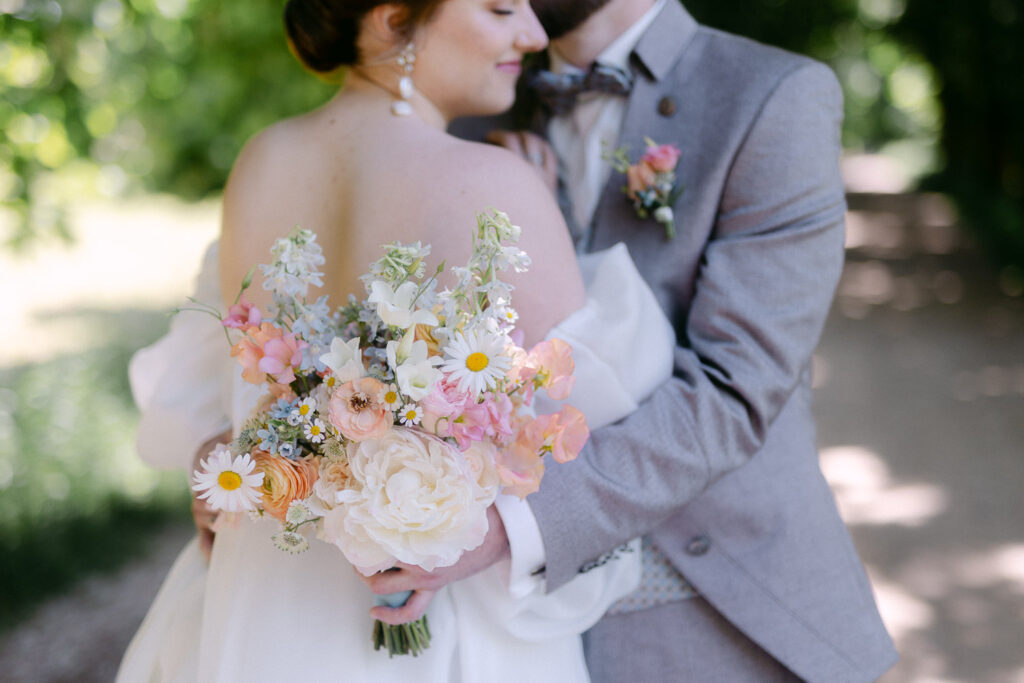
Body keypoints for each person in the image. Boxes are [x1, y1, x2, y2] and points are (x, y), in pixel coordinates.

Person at [117, 0, 677, 681]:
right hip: (438, 618)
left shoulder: (260, 161)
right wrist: (549, 215)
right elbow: (598, 418)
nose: (532, 33)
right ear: (391, 19)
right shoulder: (501, 185)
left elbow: (221, 373)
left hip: (264, 607)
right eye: (501, 7)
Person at [386, 0, 901, 680]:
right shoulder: (467, 112)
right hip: (505, 630)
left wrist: (510, 527)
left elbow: (733, 390)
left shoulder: (771, 96)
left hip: (720, 598)